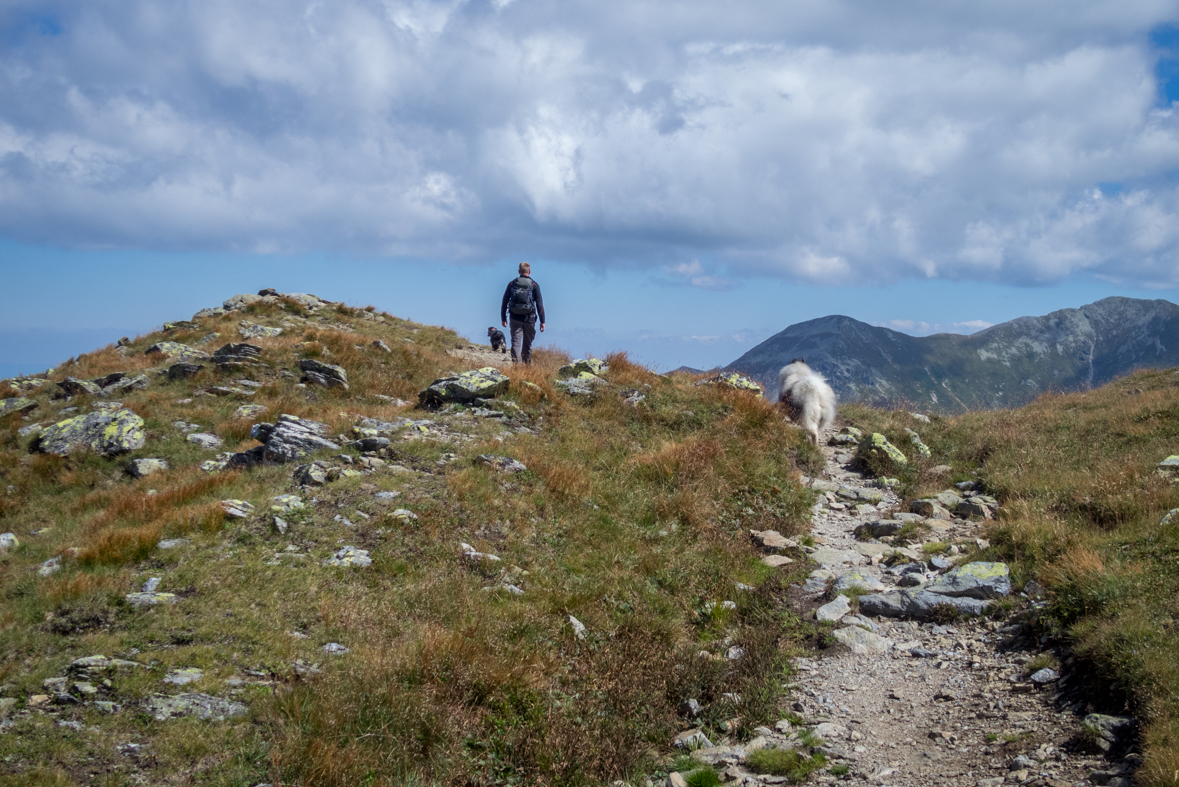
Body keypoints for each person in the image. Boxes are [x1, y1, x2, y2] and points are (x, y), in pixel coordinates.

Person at [500, 261, 545, 364]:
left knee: (516, 343)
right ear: (529, 271)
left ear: (519, 271)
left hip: (515, 318)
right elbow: (539, 304)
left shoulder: (512, 284)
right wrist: (542, 321)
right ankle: (526, 366)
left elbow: (504, 301)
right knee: (527, 344)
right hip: (529, 319)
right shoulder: (534, 285)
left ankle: (517, 367)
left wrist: (503, 318)